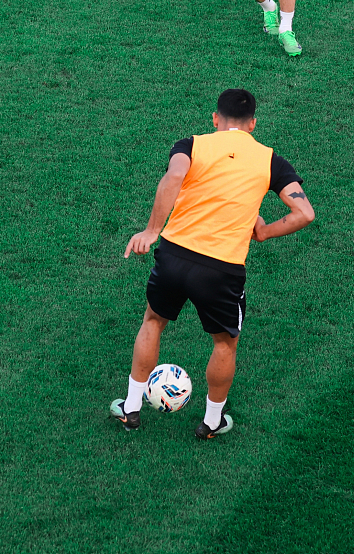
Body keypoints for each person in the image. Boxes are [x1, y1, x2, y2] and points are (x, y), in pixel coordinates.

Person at [111, 88, 315, 439]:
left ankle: (130, 408)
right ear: (252, 124)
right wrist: (264, 232)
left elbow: (174, 177)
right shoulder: (271, 161)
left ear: (216, 119)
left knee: (153, 321)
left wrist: (151, 230)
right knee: (224, 344)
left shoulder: (192, 145)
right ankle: (211, 421)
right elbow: (305, 213)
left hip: (174, 254)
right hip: (221, 269)